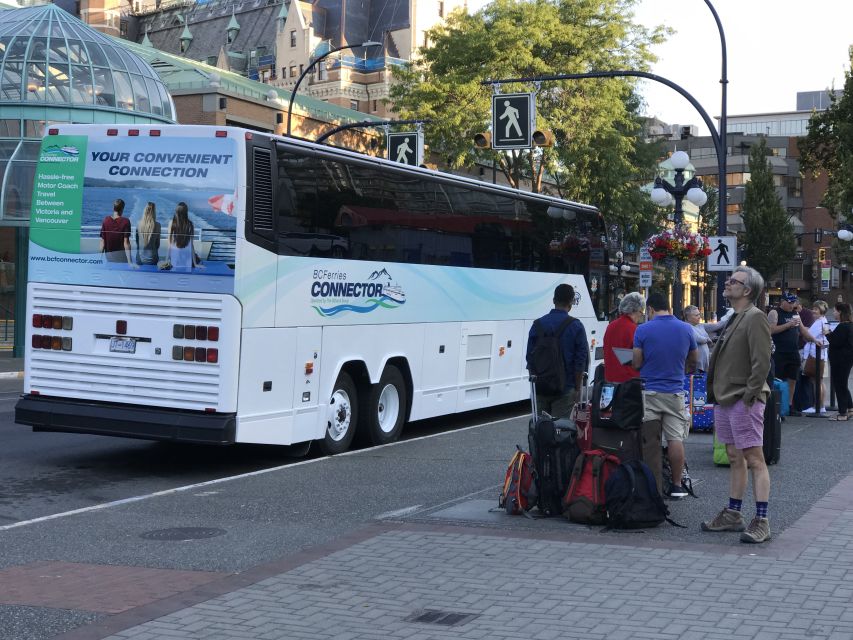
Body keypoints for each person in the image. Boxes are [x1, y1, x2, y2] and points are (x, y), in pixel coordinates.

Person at [701, 266, 773, 543]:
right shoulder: (735, 317)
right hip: (726, 398)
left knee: (755, 458)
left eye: (734, 281)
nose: (727, 283)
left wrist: (750, 395)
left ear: (748, 290)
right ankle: (733, 513)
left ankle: (762, 520)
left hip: (743, 398)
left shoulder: (755, 317)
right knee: (734, 456)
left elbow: (761, 361)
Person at [632, 291, 697, 499]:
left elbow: (636, 362)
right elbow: (694, 360)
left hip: (649, 392)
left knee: (650, 440)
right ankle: (677, 485)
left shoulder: (642, 330)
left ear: (650, 309)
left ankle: (653, 487)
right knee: (675, 439)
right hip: (675, 392)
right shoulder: (686, 329)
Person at [526, 283, 589, 418]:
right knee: (561, 431)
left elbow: (529, 358)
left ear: (554, 300)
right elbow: (580, 360)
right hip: (565, 388)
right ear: (571, 302)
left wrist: (537, 383)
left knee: (541, 429)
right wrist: (577, 389)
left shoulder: (537, 325)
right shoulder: (576, 326)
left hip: (541, 388)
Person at [768, 292, 815, 416]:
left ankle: (789, 406)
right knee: (777, 379)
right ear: (782, 301)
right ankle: (776, 406)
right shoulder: (775, 312)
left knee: (793, 379)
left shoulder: (795, 313)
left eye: (793, 302)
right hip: (779, 351)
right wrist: (788, 325)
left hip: (793, 351)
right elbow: (770, 330)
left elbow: (803, 330)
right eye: (789, 302)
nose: (791, 305)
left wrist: (814, 340)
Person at [603, 292, 645, 383]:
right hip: (628, 383)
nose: (642, 315)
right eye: (641, 311)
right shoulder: (634, 329)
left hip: (609, 380)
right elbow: (638, 360)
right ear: (635, 310)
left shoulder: (611, 326)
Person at [802, 300, 831, 415]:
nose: (813, 311)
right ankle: (821, 405)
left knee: (816, 381)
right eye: (813, 308)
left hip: (815, 354)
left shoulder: (819, 322)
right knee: (820, 381)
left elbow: (809, 336)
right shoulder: (824, 321)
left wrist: (803, 329)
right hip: (821, 355)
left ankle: (816, 406)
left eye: (816, 309)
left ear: (822, 310)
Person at [827, 302, 853, 421]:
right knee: (843, 383)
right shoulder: (850, 325)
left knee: (840, 385)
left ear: (840, 312)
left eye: (835, 311)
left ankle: (842, 413)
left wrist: (827, 333)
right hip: (846, 359)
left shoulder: (843, 326)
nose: (834, 313)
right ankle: (849, 407)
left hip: (840, 360)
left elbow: (835, 341)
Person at [99, 198, 133, 265]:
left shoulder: (106, 220)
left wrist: (99, 259)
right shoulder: (126, 221)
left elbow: (102, 242)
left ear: (113, 207)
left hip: (109, 259)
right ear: (122, 208)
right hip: (122, 259)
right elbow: (126, 243)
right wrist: (130, 262)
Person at [167, 202, 199, 271]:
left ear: (176, 211)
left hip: (175, 259)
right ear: (186, 212)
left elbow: (169, 245)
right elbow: (191, 246)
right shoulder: (190, 224)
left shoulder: (171, 223)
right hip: (187, 260)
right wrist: (195, 263)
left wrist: (166, 260)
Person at [684, 305, 712, 372]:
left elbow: (717, 326)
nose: (699, 317)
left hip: (704, 363)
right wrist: (707, 339)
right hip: (696, 365)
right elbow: (699, 339)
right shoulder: (687, 327)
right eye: (696, 315)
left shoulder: (700, 326)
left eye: (699, 314)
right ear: (688, 317)